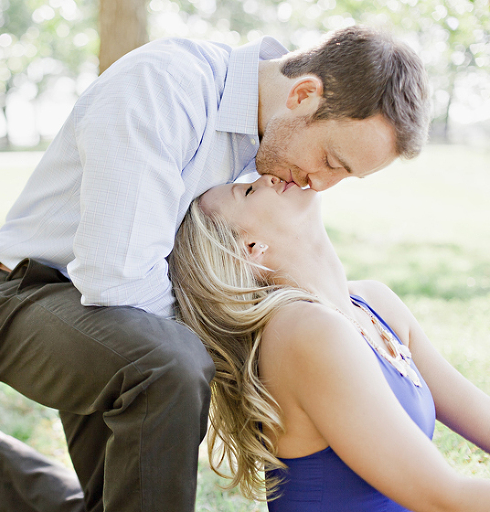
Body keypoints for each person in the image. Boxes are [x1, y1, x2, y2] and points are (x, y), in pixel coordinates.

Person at [0, 25, 431, 512]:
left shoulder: (274, 150)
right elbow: (117, 281)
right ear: (303, 94)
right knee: (171, 364)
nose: (320, 185)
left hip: (117, 325)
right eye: (330, 160)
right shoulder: (165, 87)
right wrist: (262, 350)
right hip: (24, 298)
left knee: (122, 497)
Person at [169, 175, 490, 511]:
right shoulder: (303, 333)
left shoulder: (373, 304)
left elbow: (481, 416)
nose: (268, 178)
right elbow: (444, 498)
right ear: (250, 248)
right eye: (248, 191)